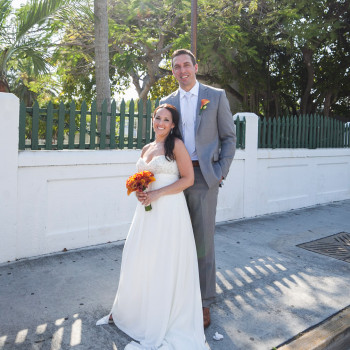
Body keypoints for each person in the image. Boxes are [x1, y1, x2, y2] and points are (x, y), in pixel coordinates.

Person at [97, 104, 207, 350]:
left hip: (169, 212)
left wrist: (157, 194)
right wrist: (141, 190)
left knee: (163, 262)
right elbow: (144, 176)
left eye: (166, 119)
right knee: (139, 258)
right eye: (158, 117)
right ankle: (132, 311)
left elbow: (188, 179)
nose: (160, 122)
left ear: (173, 125)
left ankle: (161, 317)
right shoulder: (147, 148)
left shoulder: (176, 146)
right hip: (146, 213)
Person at [159, 49, 236, 328]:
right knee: (176, 239)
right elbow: (161, 139)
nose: (182, 71)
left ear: (196, 66)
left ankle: (204, 303)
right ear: (172, 71)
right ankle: (177, 297)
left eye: (186, 65)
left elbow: (229, 137)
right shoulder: (166, 101)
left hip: (204, 176)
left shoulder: (215, 96)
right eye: (176, 67)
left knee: (203, 240)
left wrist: (219, 172)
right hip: (174, 176)